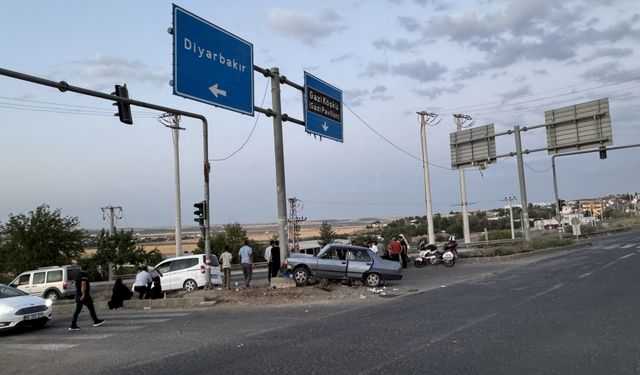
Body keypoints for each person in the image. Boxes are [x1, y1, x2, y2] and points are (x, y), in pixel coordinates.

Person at [69, 264, 104, 330]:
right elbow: (83, 285)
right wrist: (83, 294)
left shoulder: (77, 275)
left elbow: (74, 283)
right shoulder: (84, 275)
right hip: (85, 296)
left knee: (77, 311)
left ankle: (73, 325)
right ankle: (96, 321)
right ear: (87, 269)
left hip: (77, 295)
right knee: (91, 308)